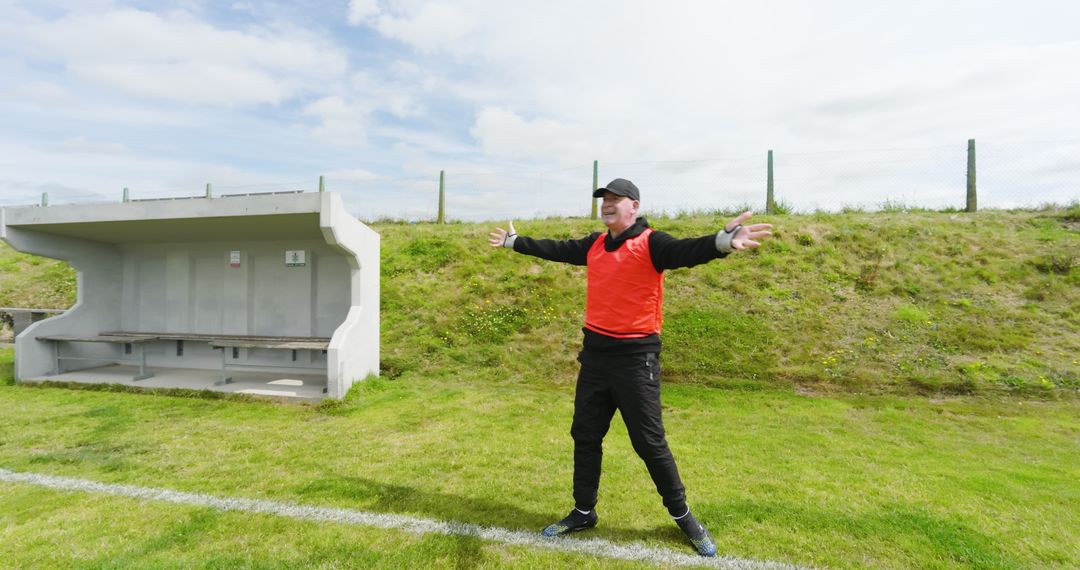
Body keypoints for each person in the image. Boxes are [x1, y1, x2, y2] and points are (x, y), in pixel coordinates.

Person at [487, 178, 773, 557]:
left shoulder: (651, 242)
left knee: (649, 443)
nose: (607, 204)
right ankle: (583, 511)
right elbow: (556, 249)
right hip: (595, 357)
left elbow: (685, 251)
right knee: (585, 435)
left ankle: (684, 517)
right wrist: (514, 242)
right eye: (604, 199)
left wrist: (721, 242)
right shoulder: (594, 244)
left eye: (615, 199)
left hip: (636, 361)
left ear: (634, 206)